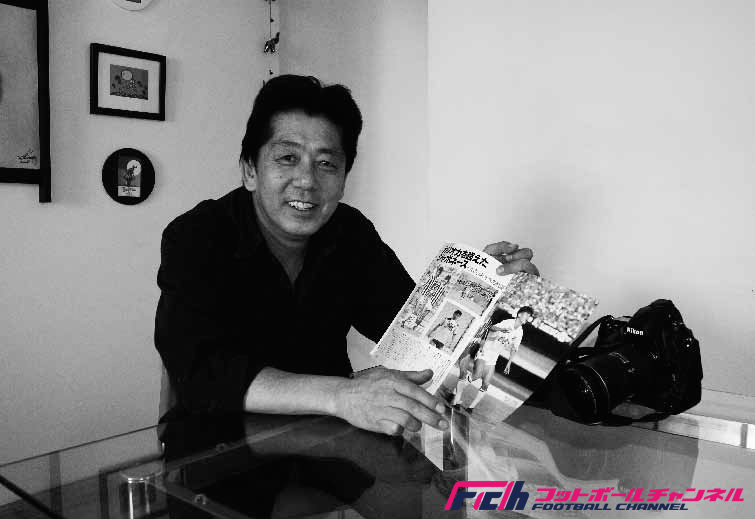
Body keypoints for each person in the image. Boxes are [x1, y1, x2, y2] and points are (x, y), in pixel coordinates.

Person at [154, 74, 538, 436]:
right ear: (250, 170)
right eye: (287, 158)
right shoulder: (196, 236)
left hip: (329, 443)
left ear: (342, 180)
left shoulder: (350, 234)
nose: (307, 181)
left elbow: (412, 336)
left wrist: (481, 295)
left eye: (326, 164)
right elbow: (199, 372)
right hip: (216, 448)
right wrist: (342, 395)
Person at [452, 306, 534, 410]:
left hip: (493, 358)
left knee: (486, 384)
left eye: (529, 316)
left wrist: (509, 363)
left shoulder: (520, 332)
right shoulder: (508, 322)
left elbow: (514, 348)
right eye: (527, 314)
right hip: (485, 351)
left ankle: (470, 408)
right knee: (477, 375)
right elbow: (491, 327)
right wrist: (502, 329)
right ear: (519, 314)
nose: (528, 317)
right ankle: (455, 393)